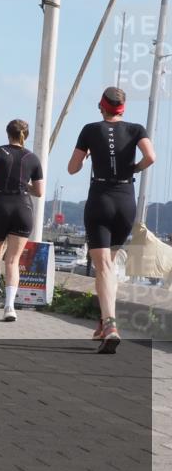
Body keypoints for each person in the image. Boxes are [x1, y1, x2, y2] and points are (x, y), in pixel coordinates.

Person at [67, 87, 155, 353]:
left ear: (101, 106)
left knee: (103, 266)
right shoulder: (137, 129)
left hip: (101, 199)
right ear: (123, 108)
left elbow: (72, 168)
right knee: (109, 266)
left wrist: (90, 155)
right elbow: (151, 157)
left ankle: (111, 325)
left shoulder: (90, 129)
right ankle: (101, 322)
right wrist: (133, 168)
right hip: (126, 199)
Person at [0, 119, 45, 323]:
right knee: (13, 261)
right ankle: (9, 307)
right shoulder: (32, 158)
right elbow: (40, 192)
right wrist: (24, 186)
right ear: (26, 135)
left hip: (1, 205)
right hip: (23, 208)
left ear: (8, 134)